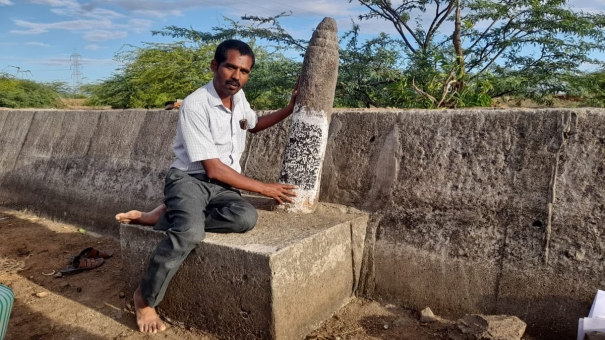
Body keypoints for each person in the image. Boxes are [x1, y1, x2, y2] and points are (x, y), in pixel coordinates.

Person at [124, 39, 298, 334]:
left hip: (221, 185)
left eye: (244, 71)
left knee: (245, 218)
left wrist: (290, 109)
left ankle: (166, 215)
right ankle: (144, 298)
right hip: (189, 180)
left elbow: (253, 125)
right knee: (189, 233)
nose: (237, 76)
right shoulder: (195, 104)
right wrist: (265, 188)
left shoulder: (239, 98)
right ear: (215, 66)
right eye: (231, 67)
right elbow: (212, 168)